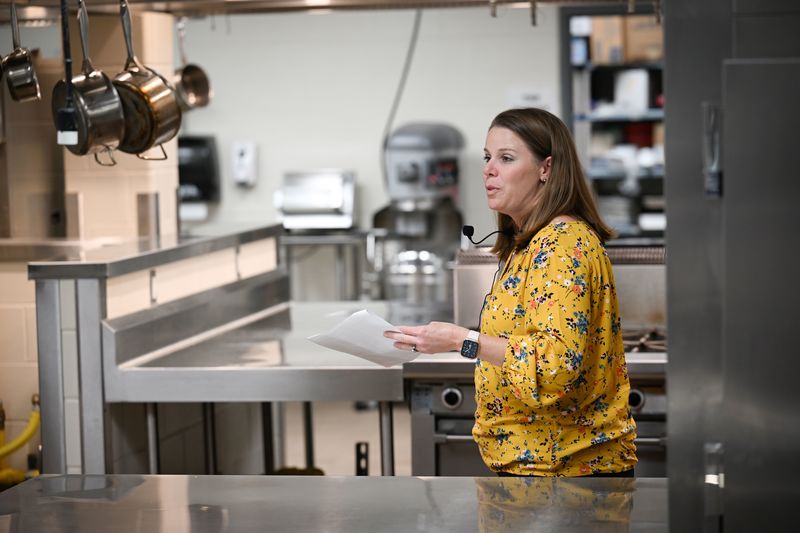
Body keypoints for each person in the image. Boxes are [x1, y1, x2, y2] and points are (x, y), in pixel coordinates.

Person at [384, 108, 637, 477]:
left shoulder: (562, 246)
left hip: (566, 475)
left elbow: (555, 366)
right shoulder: (527, 244)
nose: (489, 169)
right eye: (488, 158)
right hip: (538, 469)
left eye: (506, 158)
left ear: (545, 169)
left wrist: (462, 340)